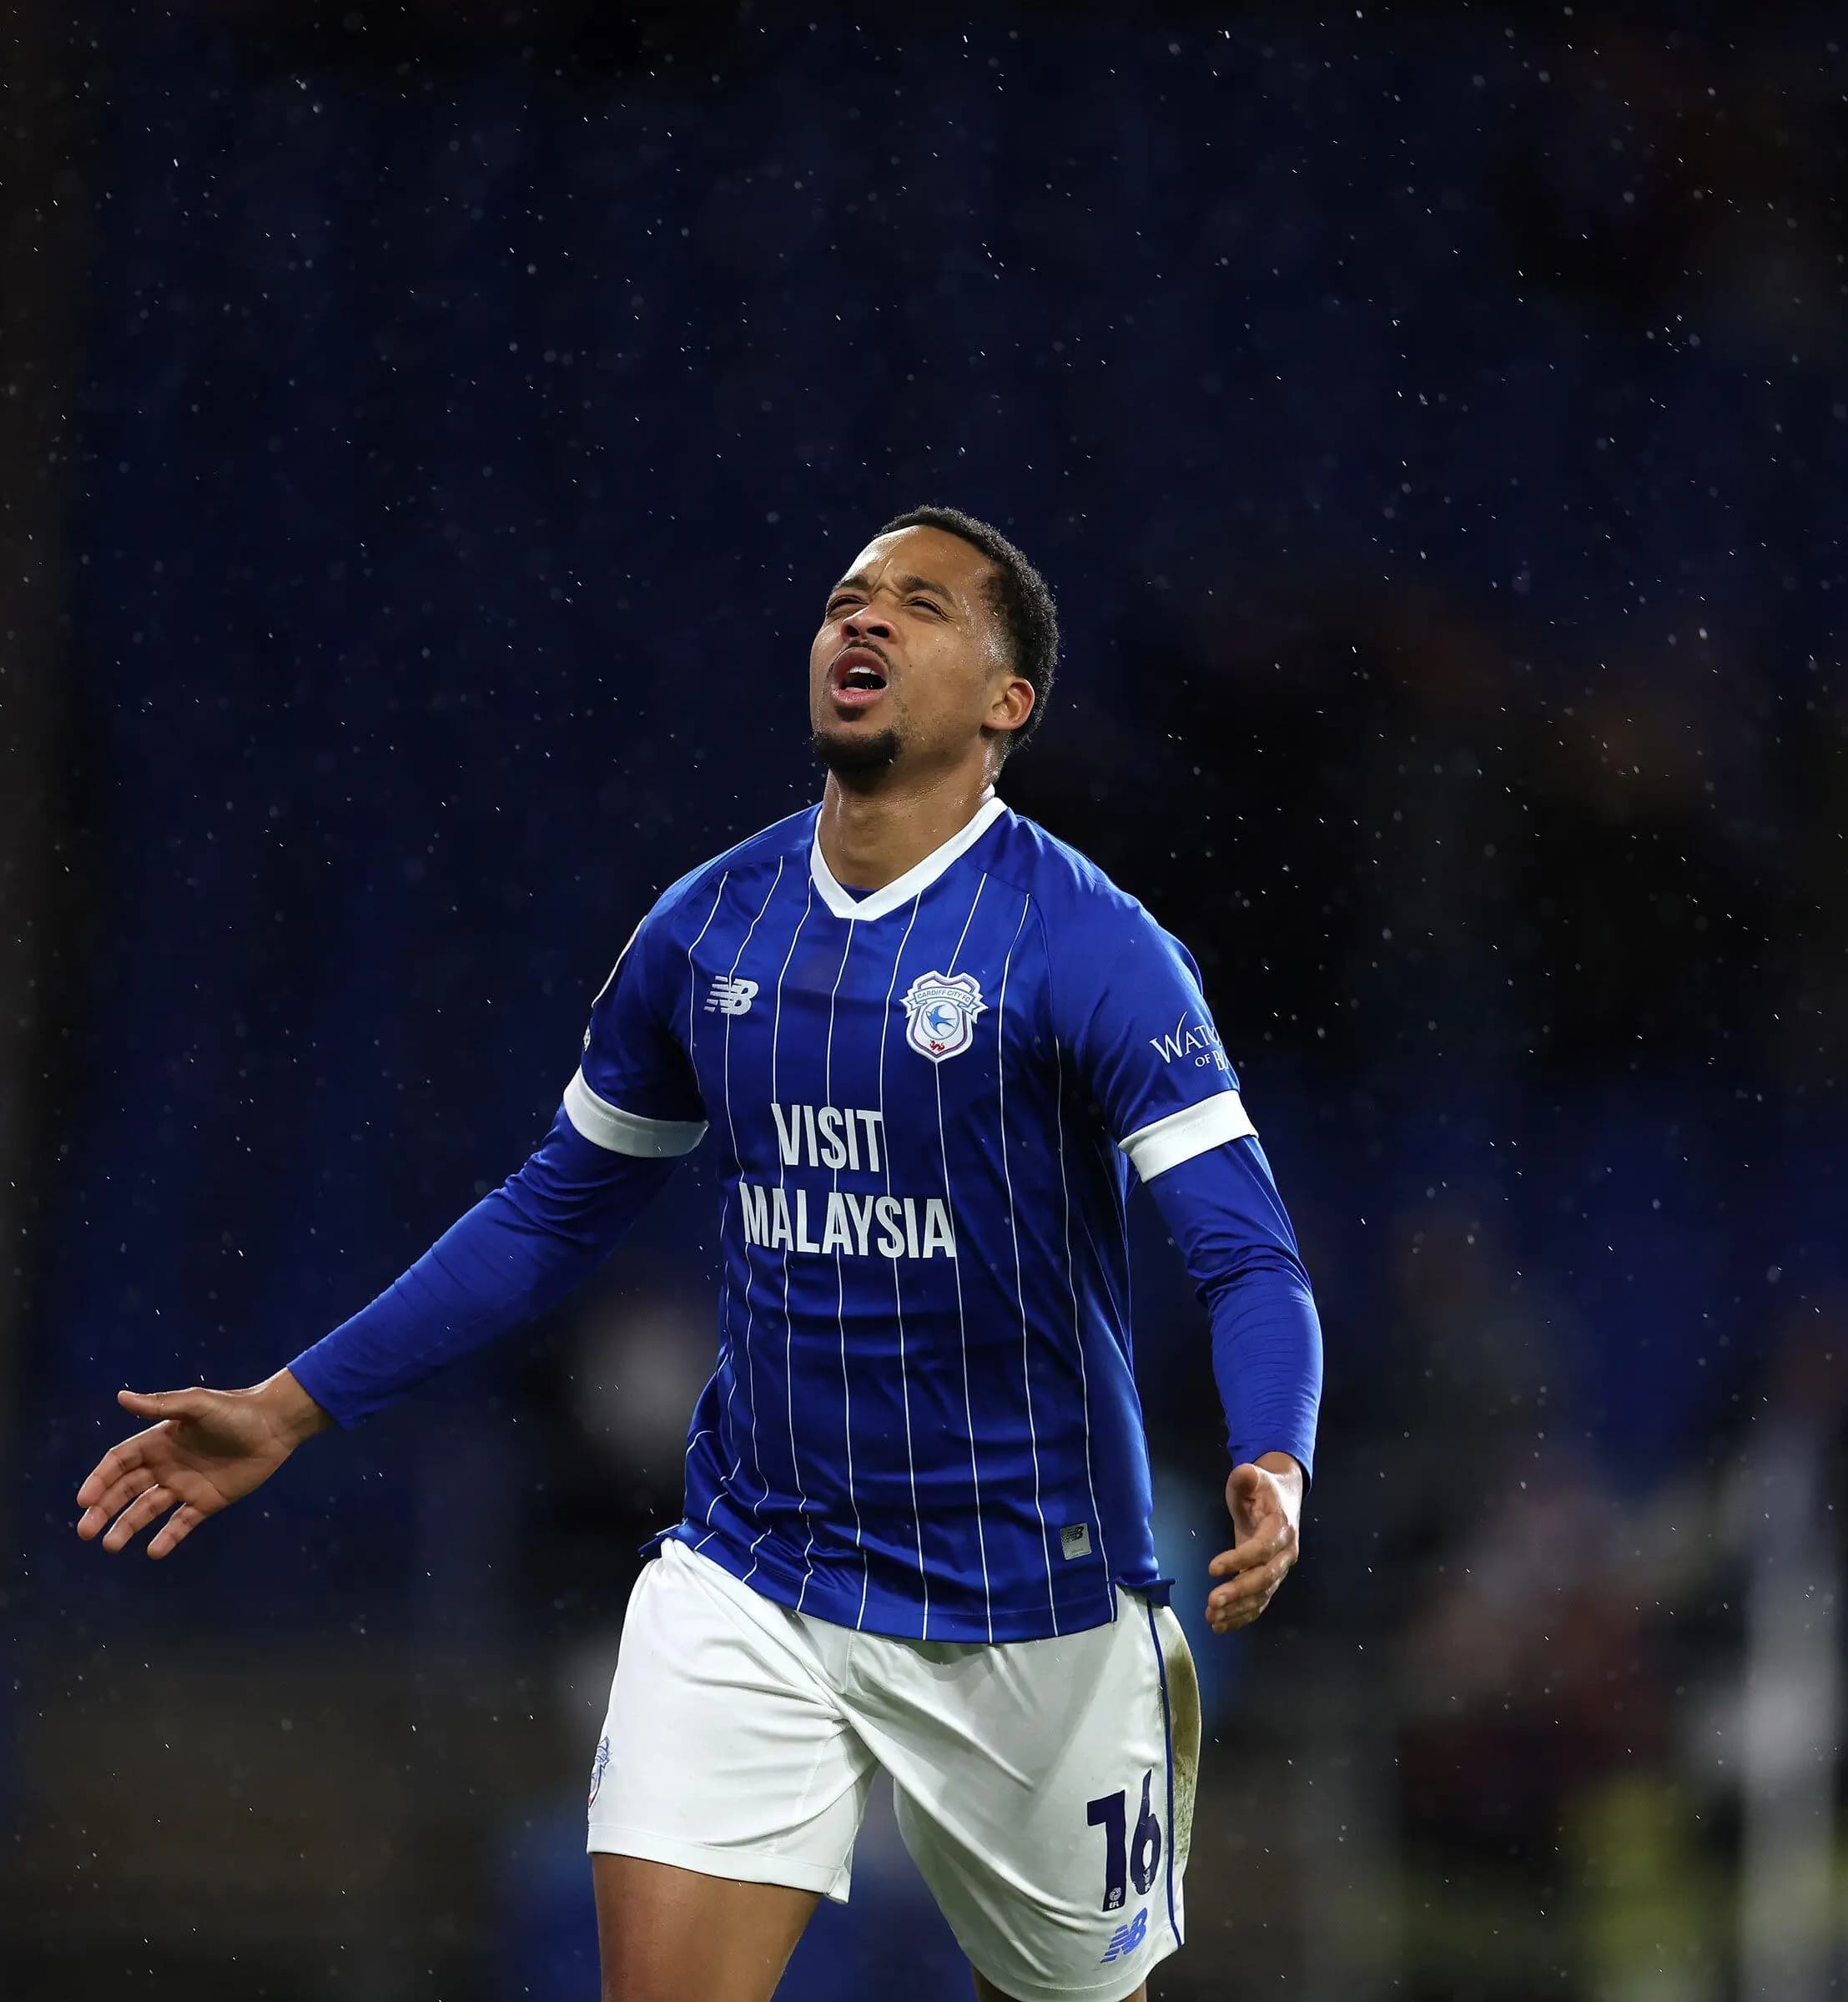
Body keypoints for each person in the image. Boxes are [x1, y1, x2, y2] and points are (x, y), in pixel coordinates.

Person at [71, 507, 1325, 2002]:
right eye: (848, 599)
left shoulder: (1092, 948)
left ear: (1009, 704)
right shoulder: (708, 931)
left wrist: (1277, 1454)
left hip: (1031, 1598)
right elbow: (555, 1211)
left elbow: (1250, 1257)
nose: (862, 623)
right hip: (759, 1573)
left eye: (919, 606)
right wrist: (290, 1404)